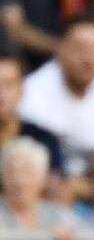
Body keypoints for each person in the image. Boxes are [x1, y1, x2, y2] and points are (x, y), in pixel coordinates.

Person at [18, 14, 94, 184]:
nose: (89, 58)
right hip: (47, 186)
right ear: (60, 48)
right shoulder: (31, 91)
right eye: (80, 48)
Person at [0, 138, 76, 240]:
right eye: (11, 172)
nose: (18, 181)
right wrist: (46, 234)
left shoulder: (61, 215)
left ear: (43, 178)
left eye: (27, 172)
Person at [0, 50, 65, 184]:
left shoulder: (43, 139)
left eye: (8, 85)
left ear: (21, 89)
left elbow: (57, 183)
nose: (1, 93)